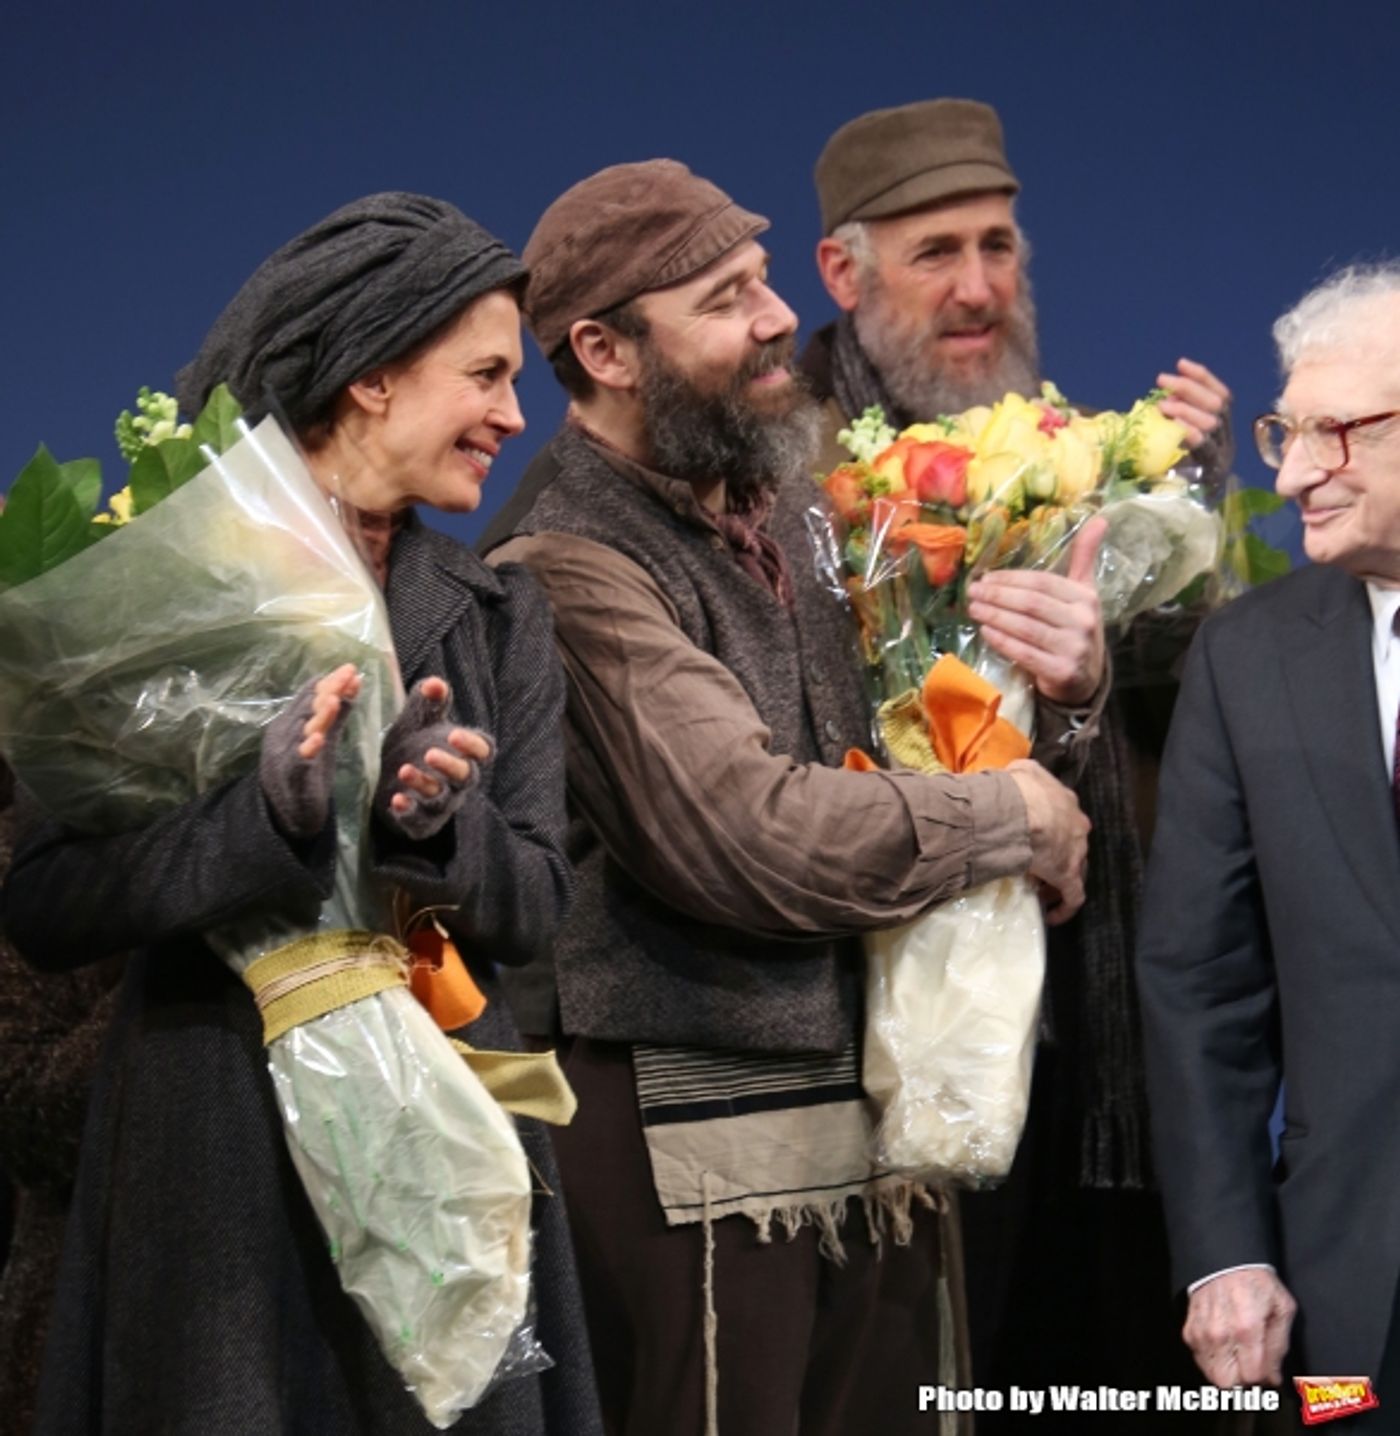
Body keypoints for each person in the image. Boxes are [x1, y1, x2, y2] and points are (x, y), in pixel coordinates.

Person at [487, 158, 1103, 1436]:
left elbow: (917, 728)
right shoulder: (567, 558)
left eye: (763, 282)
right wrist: (1011, 817)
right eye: (723, 300)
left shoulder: (799, 498)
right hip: (698, 1164)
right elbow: (748, 834)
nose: (776, 319)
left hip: (874, 1131)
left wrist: (1071, 694)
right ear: (603, 349)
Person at [2, 193, 601, 1436]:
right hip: (211, 1148)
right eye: (483, 374)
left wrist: (434, 824)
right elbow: (48, 902)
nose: (512, 412)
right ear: (372, 377)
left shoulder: (495, 615)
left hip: (441, 1131)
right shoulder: (152, 586)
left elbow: (538, 898)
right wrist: (259, 821)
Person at [802, 97, 1233, 1412]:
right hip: (877, 1063)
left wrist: (1179, 531)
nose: (979, 287)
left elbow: (1193, 732)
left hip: (1088, 1054)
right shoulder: (781, 467)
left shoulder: (1066, 456)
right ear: (844, 270)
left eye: (998, 245)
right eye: (936, 252)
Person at [1138, 261, 1400, 1423]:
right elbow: (1198, 985)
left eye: (1333, 435)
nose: (1291, 471)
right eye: (1283, 431)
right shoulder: (1246, 660)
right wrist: (1224, 1252)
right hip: (1348, 1304)